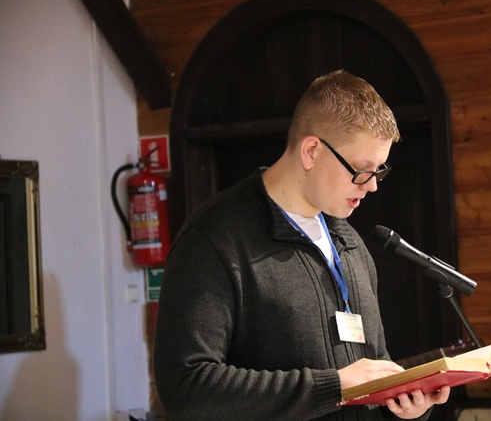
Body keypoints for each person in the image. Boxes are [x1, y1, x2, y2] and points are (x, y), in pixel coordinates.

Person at [153, 70, 450, 421]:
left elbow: (370, 375)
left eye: (379, 171)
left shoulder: (349, 243)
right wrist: (331, 388)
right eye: (361, 169)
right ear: (311, 151)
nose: (372, 186)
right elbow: (186, 387)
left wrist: (403, 408)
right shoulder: (215, 237)